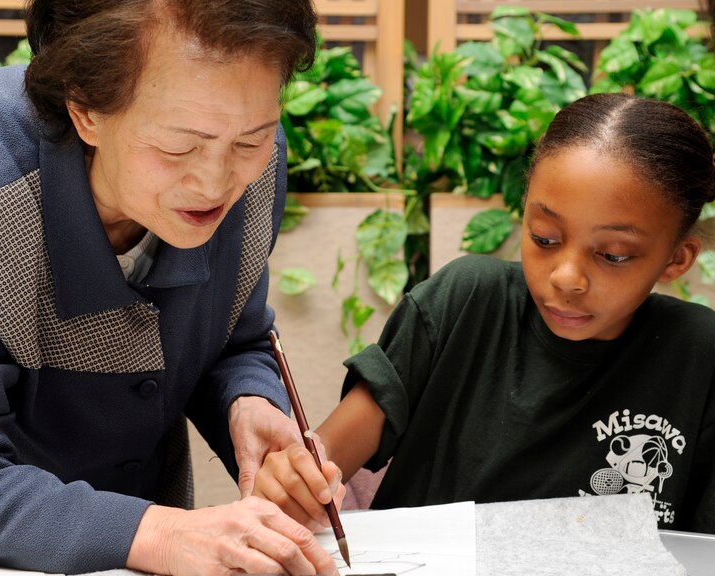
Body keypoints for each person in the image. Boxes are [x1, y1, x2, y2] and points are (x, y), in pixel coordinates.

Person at [0, 0, 340, 576]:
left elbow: (234, 336)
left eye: (252, 141)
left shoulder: (255, 165)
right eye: (179, 147)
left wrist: (248, 404)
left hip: (109, 550)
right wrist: (165, 533)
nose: (216, 180)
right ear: (86, 110)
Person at [252, 93, 715, 535]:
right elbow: (326, 457)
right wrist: (296, 477)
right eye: (545, 238)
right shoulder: (465, 302)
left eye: (613, 255)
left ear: (676, 259)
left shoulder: (699, 355)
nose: (566, 277)